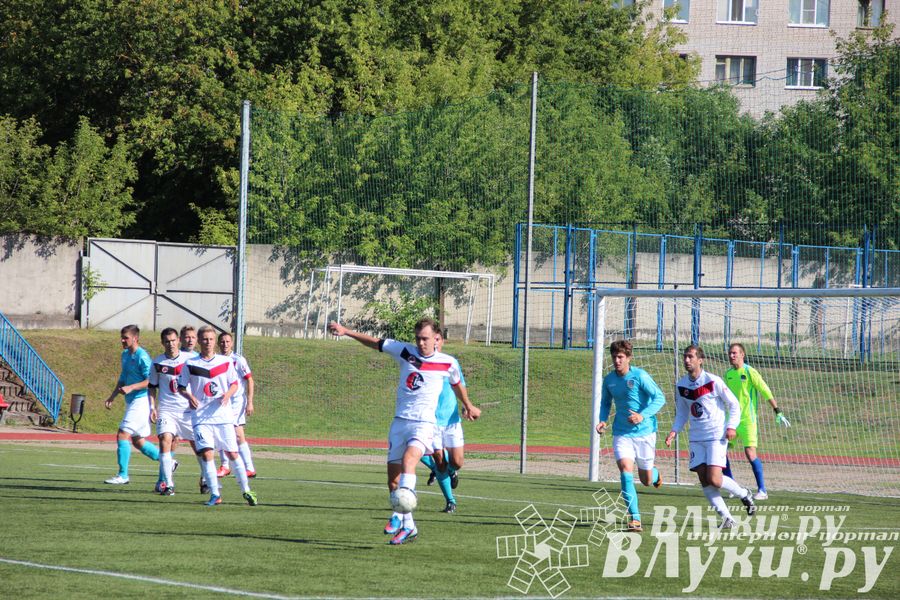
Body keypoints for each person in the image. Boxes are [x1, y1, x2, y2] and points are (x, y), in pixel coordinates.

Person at [327, 318, 481, 545]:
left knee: (411, 459)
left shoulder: (447, 362)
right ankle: (410, 527)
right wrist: (346, 332)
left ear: (436, 338)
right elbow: (376, 342)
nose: (421, 343)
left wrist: (468, 404)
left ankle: (397, 516)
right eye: (418, 338)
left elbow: (457, 383)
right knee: (393, 481)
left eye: (425, 338)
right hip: (400, 423)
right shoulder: (405, 352)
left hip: (425, 424)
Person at [665, 345, 757, 529]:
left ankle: (744, 494)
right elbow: (682, 412)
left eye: (691, 357)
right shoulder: (681, 385)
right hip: (696, 437)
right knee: (703, 479)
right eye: (685, 357)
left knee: (715, 478)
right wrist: (674, 431)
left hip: (716, 435)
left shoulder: (713, 381)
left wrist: (731, 426)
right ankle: (727, 518)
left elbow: (734, 404)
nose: (687, 360)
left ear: (700, 360)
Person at [177, 325, 257, 507]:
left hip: (222, 416)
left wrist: (227, 395)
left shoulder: (225, 362)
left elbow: (235, 384)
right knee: (207, 454)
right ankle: (215, 494)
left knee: (232, 452)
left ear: (214, 341)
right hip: (200, 417)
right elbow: (181, 386)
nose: (208, 342)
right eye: (204, 339)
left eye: (211, 339)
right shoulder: (190, 364)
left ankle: (246, 490)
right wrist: (189, 396)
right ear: (199, 340)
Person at [595, 340, 665, 533]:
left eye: (621, 357)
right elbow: (605, 403)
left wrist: (642, 415)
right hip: (621, 433)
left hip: (645, 433)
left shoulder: (640, 376)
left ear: (628, 358)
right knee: (626, 471)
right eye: (614, 357)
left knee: (646, 479)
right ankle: (635, 518)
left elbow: (660, 397)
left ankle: (655, 474)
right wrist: (602, 420)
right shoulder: (609, 380)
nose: (617, 361)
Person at [723, 343, 790, 501]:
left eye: (735, 353)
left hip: (748, 420)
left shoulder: (749, 371)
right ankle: (732, 486)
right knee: (721, 451)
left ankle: (762, 490)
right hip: (732, 420)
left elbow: (765, 390)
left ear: (742, 354)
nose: (731, 356)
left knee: (750, 452)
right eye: (730, 353)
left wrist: (778, 411)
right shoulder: (728, 374)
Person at [149, 328, 203, 495]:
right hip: (166, 409)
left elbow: (199, 381)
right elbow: (152, 388)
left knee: (199, 446)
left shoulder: (190, 359)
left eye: (173, 340)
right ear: (162, 343)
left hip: (187, 410)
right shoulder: (157, 363)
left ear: (178, 340)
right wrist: (152, 407)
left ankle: (206, 478)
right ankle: (168, 484)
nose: (170, 344)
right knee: (165, 439)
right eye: (167, 341)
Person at [422, 330, 471, 514]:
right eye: (430, 339)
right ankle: (450, 501)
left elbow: (460, 386)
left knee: (457, 462)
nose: (434, 342)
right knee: (440, 461)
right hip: (430, 421)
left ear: (442, 341)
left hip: (451, 420)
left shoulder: (450, 362)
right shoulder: (421, 363)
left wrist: (466, 405)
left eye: (437, 339)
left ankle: (451, 471)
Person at [103, 324, 160, 485]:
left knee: (123, 434)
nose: (122, 340)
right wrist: (112, 396)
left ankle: (123, 475)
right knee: (137, 440)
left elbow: (151, 381)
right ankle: (167, 462)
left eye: (125, 337)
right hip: (131, 401)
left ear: (135, 338)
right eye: (121, 337)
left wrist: (132, 387)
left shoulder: (143, 357)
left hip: (141, 400)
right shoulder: (125, 355)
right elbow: (122, 378)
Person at [215, 332, 257, 479]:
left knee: (236, 434)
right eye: (222, 341)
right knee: (223, 432)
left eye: (227, 341)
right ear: (218, 343)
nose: (225, 344)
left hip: (236, 401)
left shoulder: (238, 360)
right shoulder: (216, 359)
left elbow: (250, 380)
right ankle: (228, 466)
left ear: (231, 343)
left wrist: (250, 402)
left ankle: (244, 467)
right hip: (221, 401)